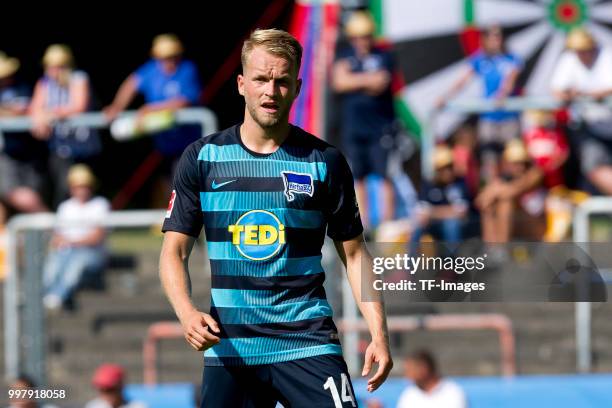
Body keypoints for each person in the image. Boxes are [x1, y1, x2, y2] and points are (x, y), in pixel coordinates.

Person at [160, 29, 392, 407]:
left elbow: (355, 255)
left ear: (297, 87)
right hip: (231, 347)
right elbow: (174, 252)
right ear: (241, 84)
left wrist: (379, 333)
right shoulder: (202, 159)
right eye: (261, 79)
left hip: (308, 341)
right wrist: (186, 313)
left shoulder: (324, 161)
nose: (271, 91)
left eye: (282, 81)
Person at [104, 34, 202, 204]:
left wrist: (150, 109)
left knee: (185, 185)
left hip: (187, 144)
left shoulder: (187, 69)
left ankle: (189, 224)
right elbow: (131, 84)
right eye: (164, 58)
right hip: (162, 143)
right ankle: (169, 221)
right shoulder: (151, 70)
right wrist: (117, 107)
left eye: (172, 56)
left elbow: (184, 101)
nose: (168, 61)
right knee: (165, 182)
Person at [332, 11, 396, 226]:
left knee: (384, 175)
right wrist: (367, 80)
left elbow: (382, 82)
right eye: (357, 37)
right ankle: (365, 223)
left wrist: (355, 79)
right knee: (358, 176)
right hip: (354, 127)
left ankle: (387, 225)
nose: (362, 41)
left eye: (366, 36)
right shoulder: (344, 55)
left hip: (381, 127)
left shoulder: (384, 55)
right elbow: (339, 82)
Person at [438, 25, 522, 183]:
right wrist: (445, 97)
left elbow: (510, 80)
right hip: (489, 118)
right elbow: (462, 82)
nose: (496, 40)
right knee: (490, 161)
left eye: (498, 36)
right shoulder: (480, 59)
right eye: (492, 36)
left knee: (513, 161)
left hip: (509, 117)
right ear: (485, 39)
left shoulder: (511, 58)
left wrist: (502, 95)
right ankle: (493, 197)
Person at [29, 44, 101, 207]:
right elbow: (35, 107)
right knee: (63, 189)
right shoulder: (44, 83)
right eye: (51, 67)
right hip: (60, 148)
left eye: (59, 67)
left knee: (86, 187)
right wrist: (39, 118)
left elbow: (78, 106)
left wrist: (48, 115)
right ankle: (64, 230)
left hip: (85, 146)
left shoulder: (79, 78)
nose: (55, 71)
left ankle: (90, 227)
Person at [550, 28, 612, 194]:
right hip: (588, 126)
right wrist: (573, 95)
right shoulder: (569, 59)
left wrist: (583, 94)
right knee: (594, 167)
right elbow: (557, 91)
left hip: (607, 123)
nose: (582, 54)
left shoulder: (607, 56)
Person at [42, 164, 109, 311]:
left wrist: (71, 242)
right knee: (52, 265)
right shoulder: (65, 207)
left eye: (84, 186)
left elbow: (97, 236)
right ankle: (45, 295)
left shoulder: (100, 205)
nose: (81, 190)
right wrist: (63, 242)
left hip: (91, 253)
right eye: (78, 186)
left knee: (75, 265)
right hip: (67, 251)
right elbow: (57, 235)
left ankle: (57, 296)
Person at [0, 51, 48, 224]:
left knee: (31, 195)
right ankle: (51, 223)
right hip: (6, 156)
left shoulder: (23, 87)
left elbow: (29, 109)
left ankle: (47, 229)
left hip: (28, 153)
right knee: (12, 195)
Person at [476, 139, 545, 243]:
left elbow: (513, 190)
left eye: (523, 163)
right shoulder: (504, 180)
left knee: (505, 202)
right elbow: (481, 201)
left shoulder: (535, 174)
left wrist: (494, 191)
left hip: (537, 224)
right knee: (490, 206)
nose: (520, 167)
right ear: (507, 164)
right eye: (515, 163)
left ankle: (502, 247)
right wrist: (492, 193)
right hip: (519, 222)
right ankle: (492, 247)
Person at [412, 145, 470, 248]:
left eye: (450, 167)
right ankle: (410, 261)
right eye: (444, 168)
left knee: (451, 224)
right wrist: (447, 211)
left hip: (453, 224)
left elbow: (461, 212)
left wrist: (432, 212)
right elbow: (421, 212)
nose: (448, 171)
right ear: (437, 170)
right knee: (418, 225)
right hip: (431, 224)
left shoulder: (459, 183)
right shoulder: (428, 184)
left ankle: (451, 261)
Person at [396, 350, 467, 408]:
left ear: (423, 368)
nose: (407, 376)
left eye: (410, 371)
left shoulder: (453, 392)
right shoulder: (409, 395)